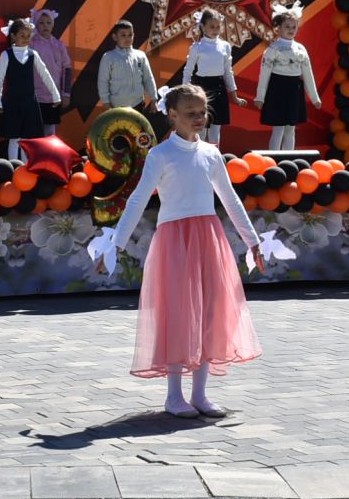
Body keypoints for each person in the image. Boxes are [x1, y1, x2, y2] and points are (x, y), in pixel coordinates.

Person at [93, 83, 263, 418]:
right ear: (172, 116)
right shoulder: (161, 154)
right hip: (175, 242)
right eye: (190, 114)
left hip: (208, 237)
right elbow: (138, 199)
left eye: (202, 112)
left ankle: (199, 394)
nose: (199, 118)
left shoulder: (212, 154)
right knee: (179, 314)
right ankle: (174, 396)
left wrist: (252, 240)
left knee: (210, 312)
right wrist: (115, 244)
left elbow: (230, 200)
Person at [0, 17, 61, 161]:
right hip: (11, 102)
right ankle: (13, 167)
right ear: (13, 36)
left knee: (26, 138)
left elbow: (45, 74)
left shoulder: (33, 54)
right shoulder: (6, 55)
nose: (25, 39)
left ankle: (24, 168)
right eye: (22, 35)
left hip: (29, 102)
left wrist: (55, 95)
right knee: (14, 138)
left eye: (28, 35)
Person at [255, 4, 320, 150]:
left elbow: (308, 74)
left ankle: (288, 161)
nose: (291, 30)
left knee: (291, 128)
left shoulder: (301, 49)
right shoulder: (272, 49)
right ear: (278, 28)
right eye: (287, 27)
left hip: (295, 90)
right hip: (277, 90)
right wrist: (260, 97)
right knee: (278, 129)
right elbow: (264, 75)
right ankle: (273, 161)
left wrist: (314, 98)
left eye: (293, 27)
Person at [181, 9, 241, 145]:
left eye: (218, 26)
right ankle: (199, 158)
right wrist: (184, 90)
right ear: (203, 26)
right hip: (202, 88)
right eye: (212, 27)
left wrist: (234, 94)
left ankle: (215, 158)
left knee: (216, 129)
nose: (215, 30)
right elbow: (188, 69)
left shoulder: (225, 46)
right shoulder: (197, 47)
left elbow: (228, 71)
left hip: (219, 88)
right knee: (201, 127)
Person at [97, 19, 157, 114]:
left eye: (130, 35)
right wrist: (106, 103)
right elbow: (103, 82)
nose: (127, 38)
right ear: (115, 37)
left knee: (137, 129)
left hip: (138, 105)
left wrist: (154, 99)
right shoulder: (108, 57)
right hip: (116, 106)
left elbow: (148, 78)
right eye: (123, 35)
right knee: (119, 129)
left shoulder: (140, 56)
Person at [31, 8, 73, 137]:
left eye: (48, 23)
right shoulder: (31, 44)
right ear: (36, 24)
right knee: (34, 129)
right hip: (35, 96)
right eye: (41, 23)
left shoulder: (59, 45)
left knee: (50, 131)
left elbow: (67, 69)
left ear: (53, 24)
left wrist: (66, 94)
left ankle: (48, 156)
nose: (45, 26)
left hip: (53, 96)